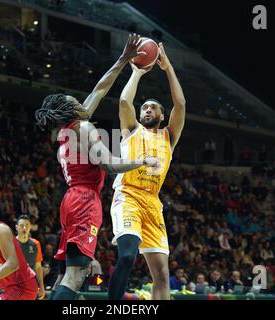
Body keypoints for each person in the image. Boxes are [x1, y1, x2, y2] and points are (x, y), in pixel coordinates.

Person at [34, 34, 159, 300]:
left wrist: (123, 60)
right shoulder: (85, 127)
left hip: (71, 199)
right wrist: (141, 161)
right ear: (72, 110)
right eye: (75, 101)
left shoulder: (69, 129)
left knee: (65, 274)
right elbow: (109, 165)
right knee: (77, 275)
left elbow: (100, 90)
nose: (82, 101)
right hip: (84, 200)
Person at [109, 42, 186, 300]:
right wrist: (137, 72)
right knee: (128, 256)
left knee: (162, 274)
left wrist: (168, 68)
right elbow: (123, 101)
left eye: (153, 108)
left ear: (162, 116)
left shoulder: (169, 136)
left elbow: (181, 104)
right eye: (145, 108)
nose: (148, 110)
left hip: (153, 203)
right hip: (128, 195)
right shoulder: (132, 129)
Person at [15, 214, 45, 299]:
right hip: (14, 285)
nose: (24, 228)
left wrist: (42, 287)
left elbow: (38, 267)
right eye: (21, 225)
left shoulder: (36, 244)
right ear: (16, 227)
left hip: (31, 285)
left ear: (30, 227)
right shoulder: (11, 244)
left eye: (27, 225)